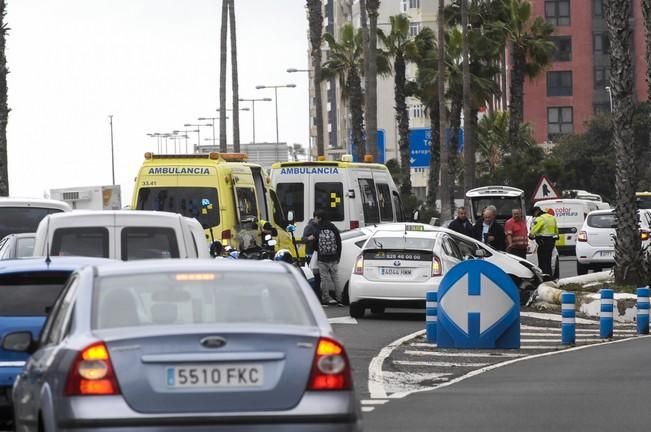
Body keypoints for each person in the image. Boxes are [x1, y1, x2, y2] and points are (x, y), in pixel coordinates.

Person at [309, 209, 342, 306]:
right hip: (334, 257)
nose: (314, 219)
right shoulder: (333, 227)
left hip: (322, 258)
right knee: (336, 278)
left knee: (324, 279)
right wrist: (338, 255)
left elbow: (314, 244)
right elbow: (338, 242)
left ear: (319, 218)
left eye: (315, 217)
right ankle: (339, 299)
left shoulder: (317, 229)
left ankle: (326, 298)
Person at [529, 206, 559, 277]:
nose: (534, 216)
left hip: (543, 242)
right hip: (551, 241)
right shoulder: (552, 217)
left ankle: (544, 276)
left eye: (534, 214)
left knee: (542, 261)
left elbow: (535, 229)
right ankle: (549, 276)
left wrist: (531, 235)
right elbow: (556, 231)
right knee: (548, 260)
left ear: (536, 211)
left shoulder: (540, 218)